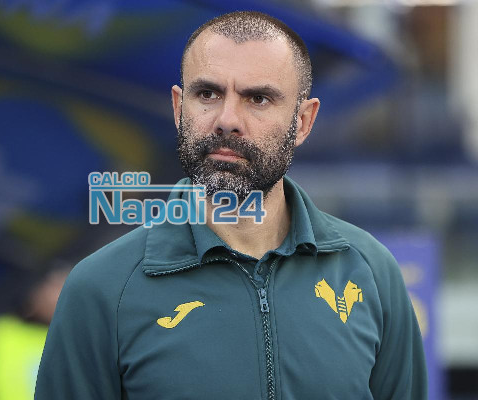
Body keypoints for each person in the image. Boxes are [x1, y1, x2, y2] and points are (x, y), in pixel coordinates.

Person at [35, 11, 427, 400]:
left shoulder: (372, 272)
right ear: (179, 109)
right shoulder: (101, 289)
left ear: (303, 121)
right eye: (207, 94)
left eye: (258, 98)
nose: (227, 120)